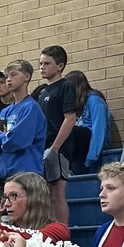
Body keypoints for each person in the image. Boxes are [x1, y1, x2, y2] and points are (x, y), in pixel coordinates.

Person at [0, 60, 47, 183]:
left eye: (13, 75)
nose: (8, 79)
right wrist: (4, 136)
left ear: (26, 77)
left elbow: (17, 140)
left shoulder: (31, 108)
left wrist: (0, 136)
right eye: (7, 76)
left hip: (25, 174)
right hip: (3, 175)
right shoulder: (5, 112)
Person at [37, 45, 78, 224]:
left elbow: (70, 118)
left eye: (47, 63)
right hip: (43, 146)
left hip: (58, 147)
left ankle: (63, 234)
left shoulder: (66, 86)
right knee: (46, 194)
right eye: (40, 63)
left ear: (60, 66)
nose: (42, 67)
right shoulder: (42, 91)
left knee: (56, 193)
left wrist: (55, 148)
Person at [67, 70, 111, 173]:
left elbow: (99, 129)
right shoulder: (76, 103)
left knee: (71, 131)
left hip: (91, 142)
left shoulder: (95, 100)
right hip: (79, 147)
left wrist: (91, 158)